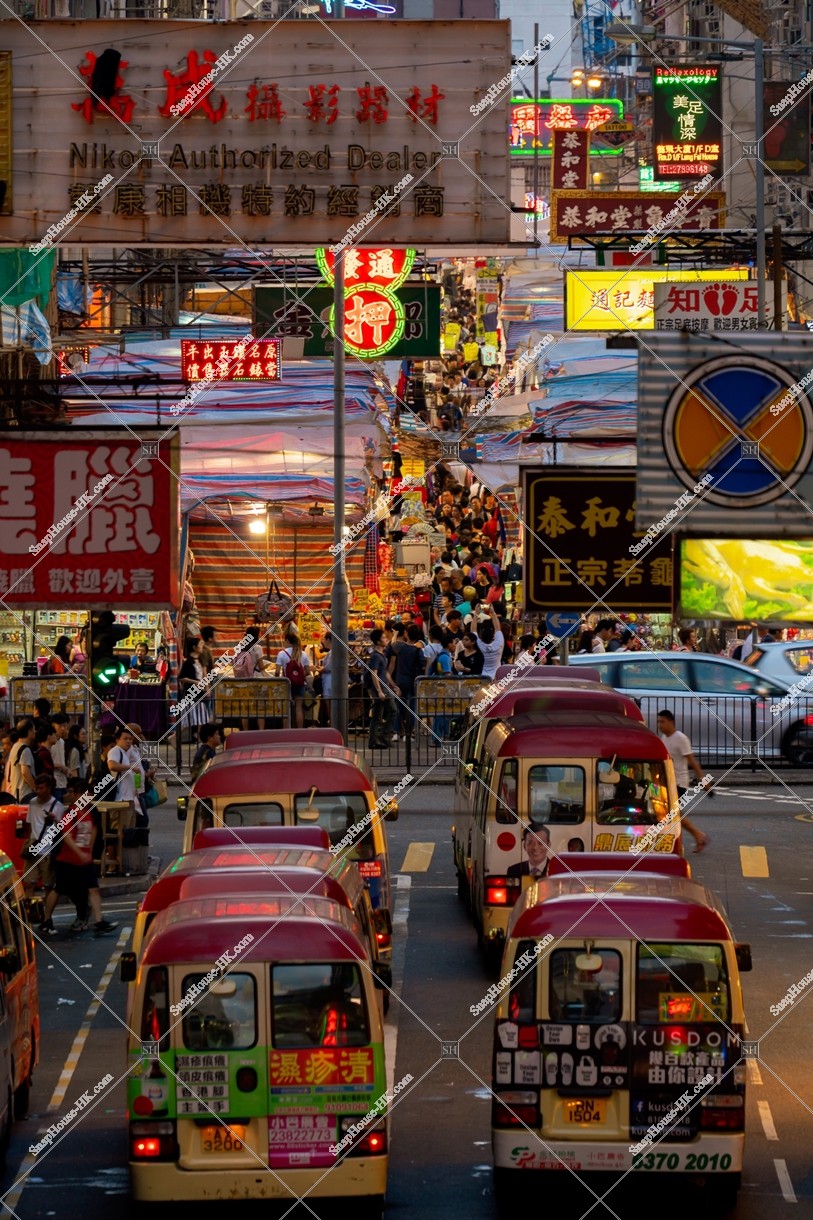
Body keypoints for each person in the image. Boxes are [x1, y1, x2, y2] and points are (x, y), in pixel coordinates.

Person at [42, 779, 118, 938]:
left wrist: (89, 851)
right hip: (67, 860)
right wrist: (80, 853)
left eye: (89, 795)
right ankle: (46, 920)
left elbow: (94, 830)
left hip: (84, 860)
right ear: (77, 795)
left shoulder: (90, 811)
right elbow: (67, 836)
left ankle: (99, 922)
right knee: (59, 890)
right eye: (84, 795)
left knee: (93, 889)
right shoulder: (70, 813)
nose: (87, 798)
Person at [656, 710, 711, 853]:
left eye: (662, 722)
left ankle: (697, 835)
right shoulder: (664, 737)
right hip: (668, 782)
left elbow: (692, 760)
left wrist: (702, 779)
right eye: (658, 722)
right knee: (672, 813)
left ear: (671, 722)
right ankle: (698, 836)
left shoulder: (680, 738)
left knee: (671, 813)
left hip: (679, 783)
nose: (660, 725)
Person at [23, 774, 61, 933]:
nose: (38, 791)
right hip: (34, 848)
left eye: (42, 788)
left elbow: (62, 829)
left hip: (48, 850)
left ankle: (47, 918)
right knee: (29, 883)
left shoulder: (57, 806)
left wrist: (54, 819)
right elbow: (29, 825)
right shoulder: (32, 803)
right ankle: (31, 917)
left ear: (49, 788)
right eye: (37, 788)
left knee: (48, 886)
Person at [391, 625, 424, 740]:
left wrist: (395, 634)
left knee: (399, 707)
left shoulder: (401, 647)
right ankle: (409, 733)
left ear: (406, 634)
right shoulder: (418, 650)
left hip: (400, 680)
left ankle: (396, 732)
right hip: (412, 682)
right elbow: (423, 664)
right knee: (411, 708)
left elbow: (393, 644)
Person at [366, 629, 395, 749]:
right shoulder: (376, 657)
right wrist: (379, 691)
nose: (386, 639)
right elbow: (375, 673)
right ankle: (381, 735)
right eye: (383, 638)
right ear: (378, 641)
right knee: (391, 711)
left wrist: (393, 685)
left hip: (384, 688)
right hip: (380, 689)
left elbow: (385, 673)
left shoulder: (382, 655)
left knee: (378, 715)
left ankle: (375, 739)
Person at [276, 630, 310, 731]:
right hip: (300, 684)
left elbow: (277, 672)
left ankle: (286, 730)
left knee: (286, 708)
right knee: (298, 708)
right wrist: (298, 676)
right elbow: (307, 671)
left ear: (287, 640)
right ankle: (299, 730)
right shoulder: (302, 654)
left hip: (286, 684)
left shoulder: (282, 654)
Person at [178, 639, 210, 737]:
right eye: (200, 644)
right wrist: (196, 682)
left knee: (201, 717)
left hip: (200, 693)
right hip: (191, 693)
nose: (202, 646)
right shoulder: (188, 662)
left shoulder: (199, 660)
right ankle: (176, 737)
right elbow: (182, 678)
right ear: (194, 647)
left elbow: (204, 675)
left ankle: (199, 737)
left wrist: (207, 688)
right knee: (193, 718)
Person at [6, 719, 36, 803]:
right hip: (25, 793)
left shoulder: (15, 747)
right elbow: (25, 772)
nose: (35, 732)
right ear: (29, 731)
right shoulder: (25, 750)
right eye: (33, 729)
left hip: (16, 792)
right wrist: (35, 788)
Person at [475, 604, 504, 680]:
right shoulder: (499, 643)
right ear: (493, 635)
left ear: (480, 636)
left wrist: (476, 614)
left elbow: (473, 630)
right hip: (496, 677)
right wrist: (493, 613)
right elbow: (498, 627)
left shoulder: (478, 645)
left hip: (482, 677)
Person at [50, 713, 70, 801]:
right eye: (60, 726)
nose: (63, 729)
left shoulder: (62, 742)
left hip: (63, 782)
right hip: (54, 782)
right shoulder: (49, 742)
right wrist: (59, 765)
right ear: (53, 725)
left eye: (65, 726)